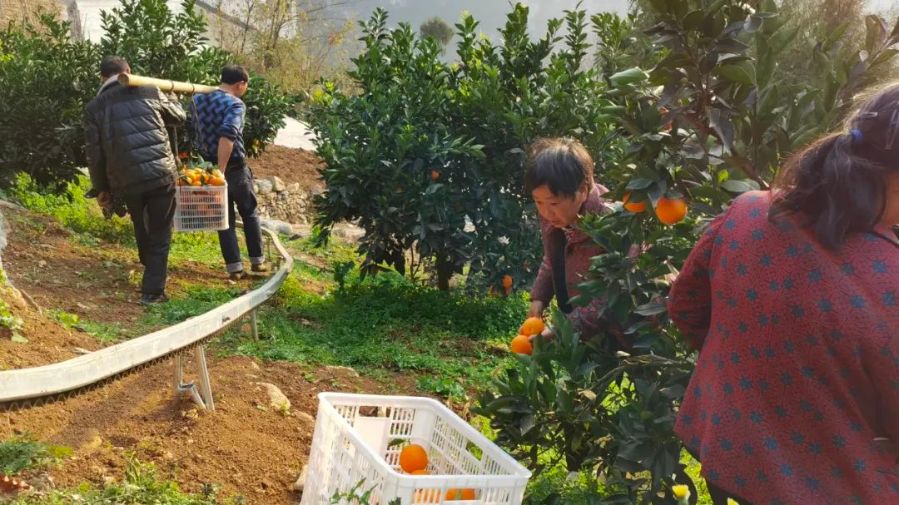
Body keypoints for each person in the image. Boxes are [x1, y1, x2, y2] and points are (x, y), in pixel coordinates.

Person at [668, 83, 899, 505]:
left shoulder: (747, 211)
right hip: (831, 486)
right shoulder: (889, 277)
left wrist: (753, 367)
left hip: (728, 449)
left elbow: (685, 306)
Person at [84, 56, 186, 305]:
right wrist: (172, 98)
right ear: (128, 71)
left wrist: (101, 188)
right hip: (160, 173)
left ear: (102, 78)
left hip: (126, 179)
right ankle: (152, 291)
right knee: (160, 230)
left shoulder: (94, 107)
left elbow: (94, 154)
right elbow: (179, 117)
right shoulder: (150, 90)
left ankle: (150, 268)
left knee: (141, 225)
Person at [525, 137, 620, 344]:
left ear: (583, 190)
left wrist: (564, 329)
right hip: (585, 327)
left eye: (553, 203)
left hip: (626, 334)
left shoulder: (613, 223)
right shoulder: (556, 215)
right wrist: (539, 298)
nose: (546, 212)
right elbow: (553, 255)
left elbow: (613, 296)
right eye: (538, 202)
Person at [191, 64, 268, 280]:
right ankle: (257, 261)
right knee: (249, 211)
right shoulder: (235, 104)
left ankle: (234, 267)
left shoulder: (197, 100)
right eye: (246, 85)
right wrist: (221, 171)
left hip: (206, 165)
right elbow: (228, 135)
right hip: (232, 167)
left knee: (224, 218)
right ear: (240, 84)